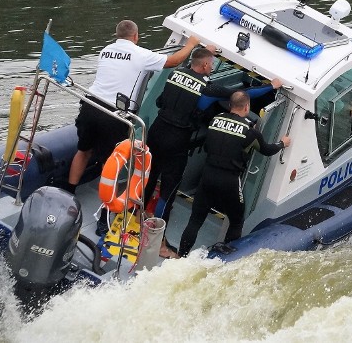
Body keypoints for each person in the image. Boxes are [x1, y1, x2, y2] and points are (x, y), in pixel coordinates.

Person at [64, 19, 203, 235]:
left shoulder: (106, 50)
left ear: (116, 35)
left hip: (90, 105)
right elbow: (174, 60)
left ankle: (68, 196)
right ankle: (105, 216)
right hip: (114, 113)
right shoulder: (140, 54)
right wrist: (191, 43)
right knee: (113, 164)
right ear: (136, 37)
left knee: (83, 151)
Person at [144, 48, 282, 257]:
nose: (211, 67)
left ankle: (136, 218)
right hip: (177, 140)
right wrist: (272, 86)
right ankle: (159, 243)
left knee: (150, 176)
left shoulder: (175, 74)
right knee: (168, 192)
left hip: (156, 131)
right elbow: (243, 95)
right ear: (207, 66)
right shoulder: (207, 89)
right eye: (211, 64)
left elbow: (159, 102)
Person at [177, 91, 291, 257]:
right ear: (246, 107)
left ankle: (181, 255)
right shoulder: (251, 132)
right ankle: (225, 258)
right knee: (237, 220)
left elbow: (208, 146)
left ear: (230, 105)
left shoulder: (215, 120)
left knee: (195, 220)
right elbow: (266, 150)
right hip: (230, 180)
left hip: (207, 176)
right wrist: (282, 143)